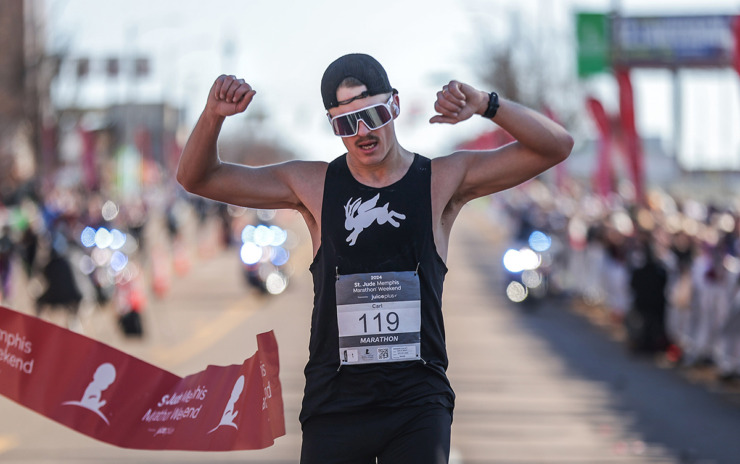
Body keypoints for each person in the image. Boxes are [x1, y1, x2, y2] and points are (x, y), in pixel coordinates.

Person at [177, 53, 573, 464]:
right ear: (333, 126)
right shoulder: (313, 185)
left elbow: (556, 146)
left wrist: (489, 105)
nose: (363, 131)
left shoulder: (440, 180)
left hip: (418, 403)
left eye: (373, 114)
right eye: (346, 123)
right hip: (335, 405)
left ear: (395, 106)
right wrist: (212, 116)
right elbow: (196, 177)